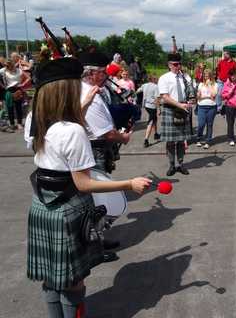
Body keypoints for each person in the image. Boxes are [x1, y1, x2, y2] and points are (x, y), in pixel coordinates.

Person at [26, 56, 151, 318]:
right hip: (68, 210)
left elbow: (64, 126)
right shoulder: (74, 131)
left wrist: (84, 105)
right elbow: (83, 183)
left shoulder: (38, 121)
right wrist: (130, 183)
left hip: (41, 207)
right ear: (67, 91)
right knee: (74, 283)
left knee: (51, 278)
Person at [158, 53, 194, 176]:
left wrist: (191, 100)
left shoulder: (186, 77)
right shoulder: (164, 78)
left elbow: (190, 93)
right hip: (170, 109)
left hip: (183, 109)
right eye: (175, 64)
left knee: (180, 140)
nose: (178, 66)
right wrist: (180, 105)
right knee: (170, 141)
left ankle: (180, 164)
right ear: (169, 65)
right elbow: (165, 97)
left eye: (179, 64)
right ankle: (172, 165)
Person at [0, 57, 30, 130]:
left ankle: (19, 123)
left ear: (13, 64)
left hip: (17, 89)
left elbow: (28, 77)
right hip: (8, 90)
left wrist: (22, 84)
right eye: (7, 65)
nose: (8, 66)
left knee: (18, 107)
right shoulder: (3, 71)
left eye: (10, 65)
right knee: (9, 108)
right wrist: (3, 86)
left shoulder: (18, 70)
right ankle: (12, 124)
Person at [136, 75, 161, 148]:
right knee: (150, 122)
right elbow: (157, 99)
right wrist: (159, 109)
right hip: (152, 106)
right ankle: (146, 140)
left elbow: (138, 91)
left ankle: (156, 134)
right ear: (154, 80)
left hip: (146, 105)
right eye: (156, 79)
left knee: (154, 119)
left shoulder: (144, 85)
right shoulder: (155, 87)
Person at [196, 69, 217, 149]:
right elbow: (198, 97)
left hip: (211, 107)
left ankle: (208, 141)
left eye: (208, 76)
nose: (206, 77)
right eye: (205, 76)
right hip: (201, 106)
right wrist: (201, 96)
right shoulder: (200, 84)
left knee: (209, 124)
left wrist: (209, 85)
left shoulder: (215, 85)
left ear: (211, 76)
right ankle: (199, 139)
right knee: (201, 124)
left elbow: (213, 95)